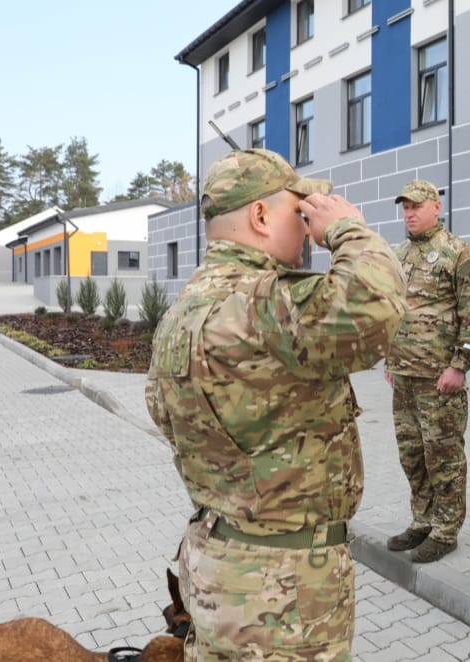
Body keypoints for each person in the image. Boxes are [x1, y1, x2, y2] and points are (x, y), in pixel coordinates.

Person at [145, 148, 406, 660]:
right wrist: (347, 229)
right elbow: (378, 306)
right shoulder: (265, 301)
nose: (309, 222)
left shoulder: (184, 307)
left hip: (216, 562)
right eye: (300, 209)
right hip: (282, 593)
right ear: (260, 216)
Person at [385, 178, 470, 563]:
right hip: (404, 377)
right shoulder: (399, 255)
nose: (409, 213)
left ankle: (446, 530)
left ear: (436, 207)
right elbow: (392, 310)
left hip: (439, 379)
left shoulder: (459, 254)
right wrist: (390, 359)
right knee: (412, 455)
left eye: (416, 206)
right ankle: (422, 519)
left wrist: (459, 366)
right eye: (405, 207)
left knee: (443, 456)